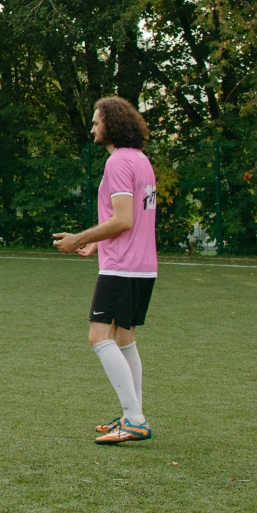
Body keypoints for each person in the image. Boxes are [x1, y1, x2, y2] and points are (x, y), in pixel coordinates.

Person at [55, 95, 159, 445]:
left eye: (97, 121)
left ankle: (134, 419)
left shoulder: (117, 163)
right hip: (143, 267)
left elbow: (124, 220)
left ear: (112, 124)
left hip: (122, 268)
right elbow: (133, 220)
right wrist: (99, 242)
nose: (93, 127)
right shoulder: (141, 160)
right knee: (124, 339)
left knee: (99, 337)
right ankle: (134, 413)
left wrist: (79, 237)